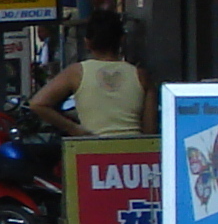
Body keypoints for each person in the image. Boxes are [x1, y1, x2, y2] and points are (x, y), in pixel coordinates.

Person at [28, 11, 156, 137]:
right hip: (135, 150)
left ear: (87, 42)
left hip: (92, 150)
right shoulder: (141, 76)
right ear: (122, 39)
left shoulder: (76, 72)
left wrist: (73, 128)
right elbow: (150, 131)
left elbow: (37, 104)